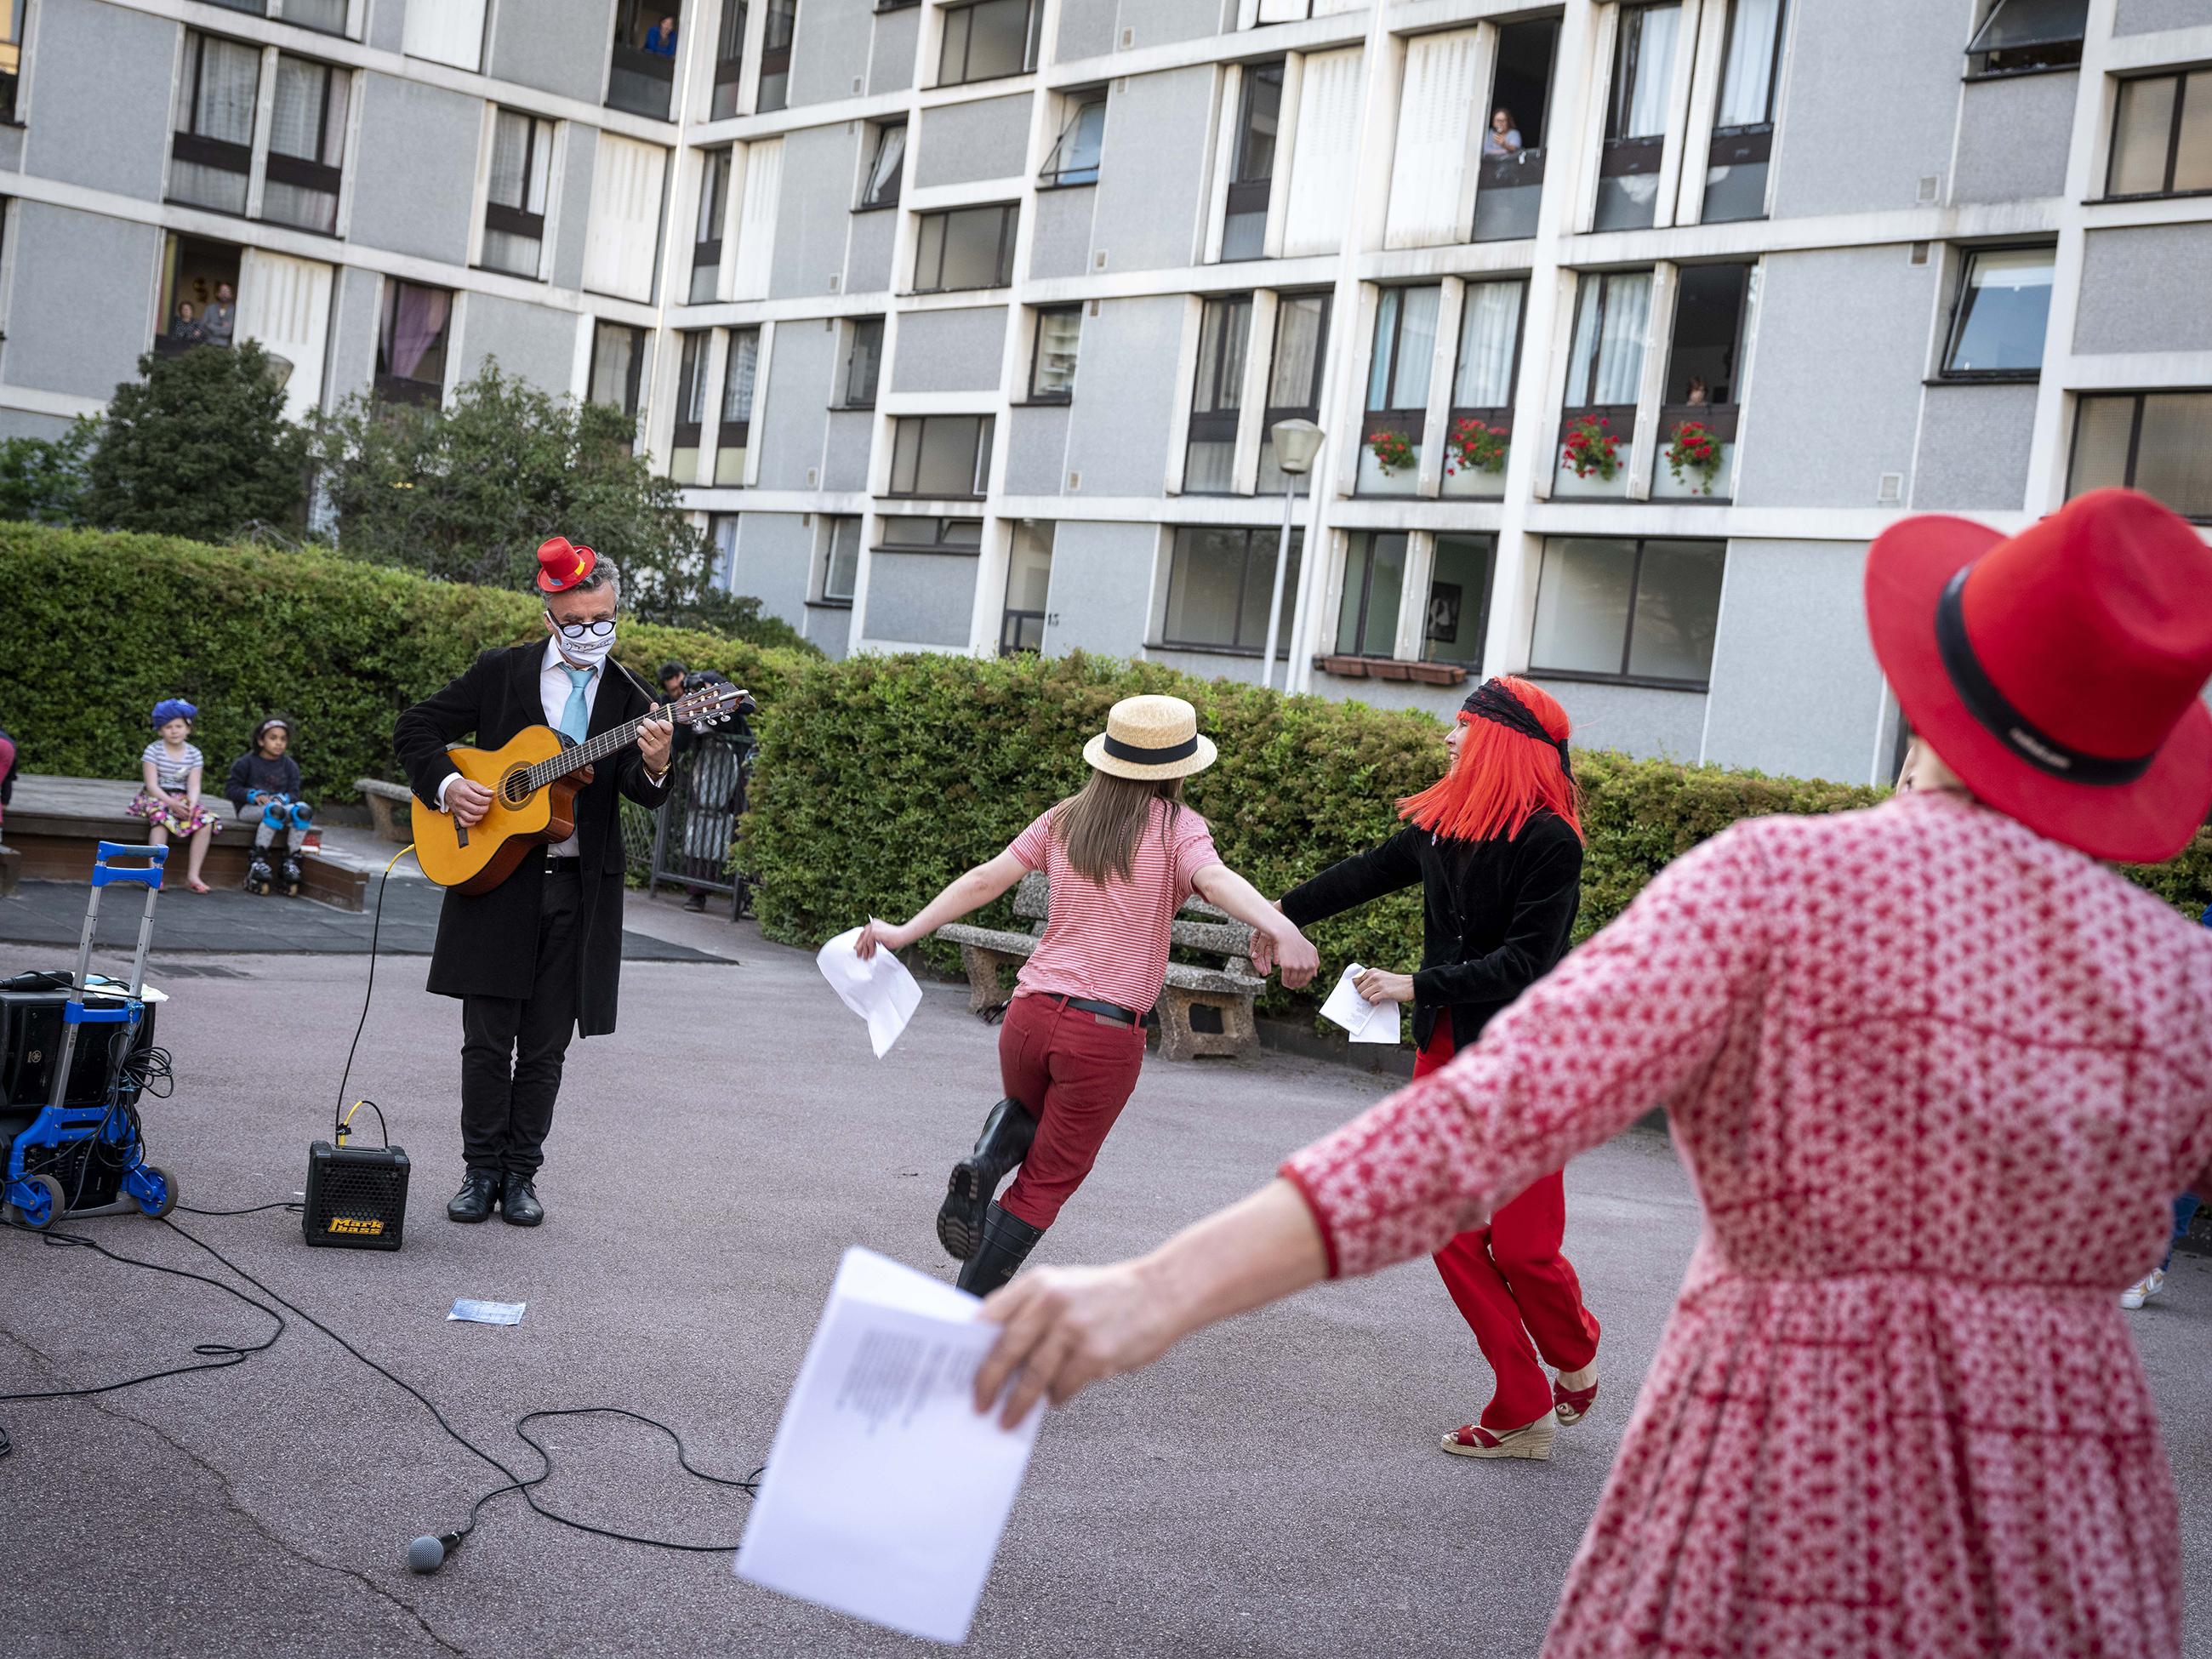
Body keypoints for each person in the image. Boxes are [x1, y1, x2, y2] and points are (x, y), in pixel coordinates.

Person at [971, 488, 2212, 1658]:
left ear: (1931, 695)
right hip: (2076, 1498)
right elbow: (1381, 887)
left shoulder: (1778, 885)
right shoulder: (2178, 979)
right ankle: (1541, 1378)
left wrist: (1156, 1288)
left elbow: (1479, 1121)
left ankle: (1545, 1374)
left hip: (1792, 1446)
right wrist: (1293, 919)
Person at [853, 694, 1321, 1295]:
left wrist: (902, 930)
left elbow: (985, 879)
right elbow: (1215, 879)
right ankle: (962, 1317)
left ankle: (987, 1160)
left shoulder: (1064, 818)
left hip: (1028, 1016)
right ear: (1178, 769)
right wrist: (1281, 927)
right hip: (1101, 1036)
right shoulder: (1180, 828)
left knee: (1030, 1121)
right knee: (1048, 1179)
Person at [1272, 676, 1596, 1460]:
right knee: (1450, 1229)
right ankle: (1522, 1404)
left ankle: (1575, 1352)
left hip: (1526, 1062)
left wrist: (1417, 984)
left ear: (1501, 744)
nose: (1447, 741)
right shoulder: (1445, 824)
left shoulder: (1551, 840)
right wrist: (1280, 917)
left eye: (1462, 729)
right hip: (1445, 1052)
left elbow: (1526, 961)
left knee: (1522, 1247)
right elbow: (1366, 872)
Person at [395, 537, 678, 1230]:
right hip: (495, 881)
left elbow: (643, 793)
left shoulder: (631, 693)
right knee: (487, 1041)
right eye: (577, 623)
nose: (592, 635)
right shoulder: (502, 672)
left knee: (546, 1045)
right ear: (550, 615)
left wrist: (661, 764)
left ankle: (522, 1176)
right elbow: (418, 727)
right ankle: (478, 1171)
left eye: (604, 621)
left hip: (579, 890)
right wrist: (451, 784)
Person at [658, 659, 744, 914]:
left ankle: (742, 893)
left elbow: (743, 710)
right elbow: (681, 744)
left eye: (682, 685)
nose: (681, 690)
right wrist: (682, 710)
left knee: (736, 826)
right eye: (674, 690)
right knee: (699, 827)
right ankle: (697, 892)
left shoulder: (709, 681)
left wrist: (712, 689)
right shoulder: (672, 702)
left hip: (732, 763)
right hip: (704, 769)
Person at [128, 698, 219, 893]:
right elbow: (152, 785)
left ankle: (193, 875)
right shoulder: (153, 751)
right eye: (168, 727)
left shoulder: (194, 754)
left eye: (179, 726)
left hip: (183, 798)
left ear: (188, 728)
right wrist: (170, 803)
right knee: (161, 819)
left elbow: (194, 785)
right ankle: (154, 872)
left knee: (206, 821)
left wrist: (192, 804)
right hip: (157, 797)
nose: (174, 730)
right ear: (160, 730)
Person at [225, 715, 307, 897]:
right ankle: (258, 861)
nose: (278, 743)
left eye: (283, 739)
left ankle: (291, 860)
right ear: (260, 741)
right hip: (248, 810)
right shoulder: (246, 763)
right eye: (273, 738)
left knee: (302, 811)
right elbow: (230, 789)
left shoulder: (290, 766)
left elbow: (295, 793)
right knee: (275, 811)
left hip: (278, 808)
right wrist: (252, 795)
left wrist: (284, 799)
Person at [203, 282, 236, 347]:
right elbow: (203, 326)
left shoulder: (234, 310)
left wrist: (211, 326)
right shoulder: (210, 308)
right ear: (218, 294)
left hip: (225, 346)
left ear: (231, 295)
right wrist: (222, 327)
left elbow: (228, 331)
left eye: (227, 291)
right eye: (222, 291)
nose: (224, 294)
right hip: (209, 344)